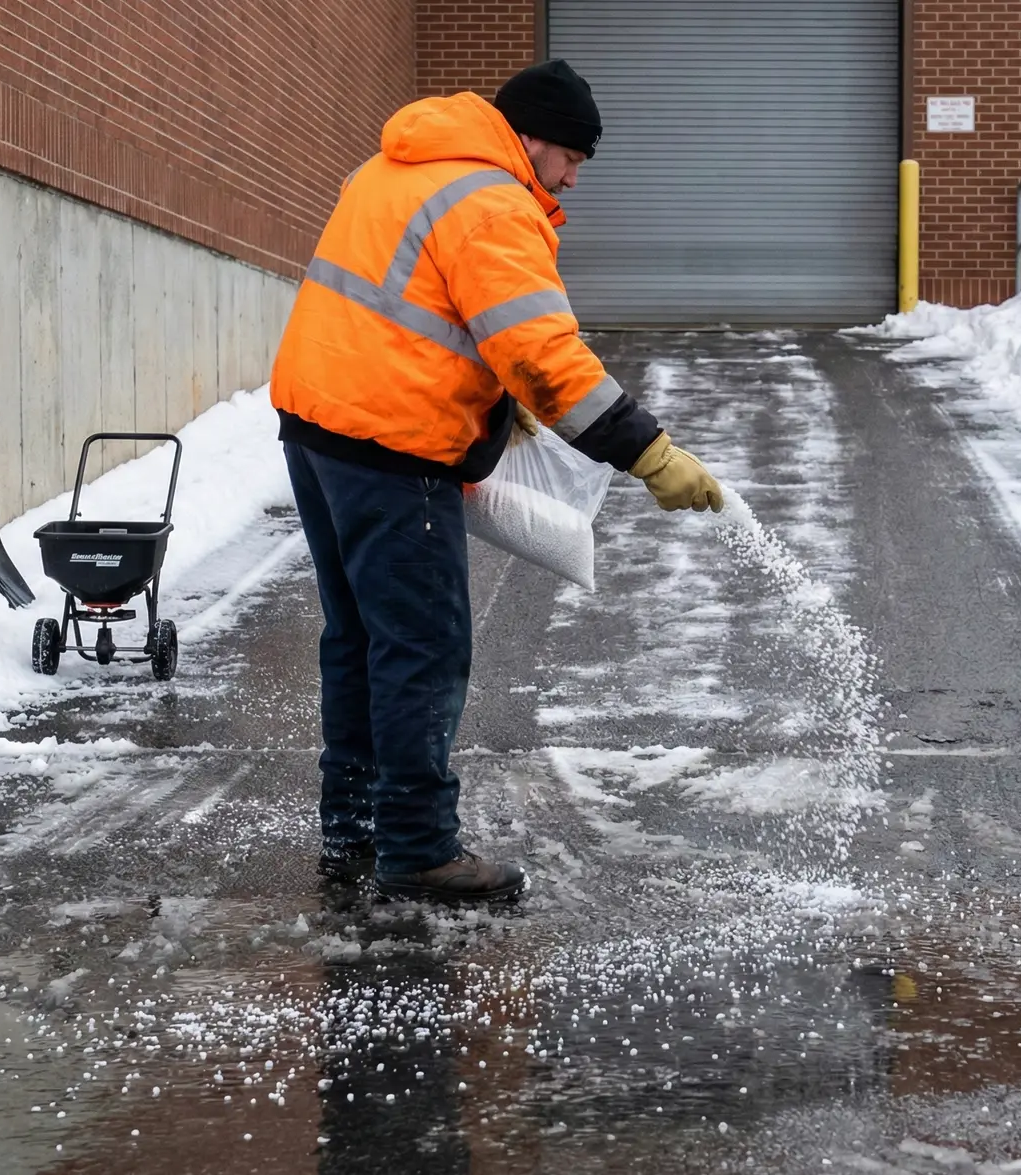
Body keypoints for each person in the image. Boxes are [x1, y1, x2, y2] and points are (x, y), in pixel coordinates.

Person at [271, 60, 724, 903]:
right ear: (534, 139)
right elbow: (544, 356)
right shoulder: (491, 202)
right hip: (392, 445)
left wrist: (487, 396)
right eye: (572, 159)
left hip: (320, 428)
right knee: (422, 646)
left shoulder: (396, 167)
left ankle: (354, 827)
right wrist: (650, 454)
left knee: (361, 639)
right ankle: (416, 847)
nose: (573, 179)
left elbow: (419, 307)